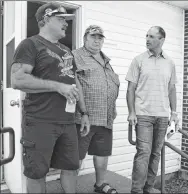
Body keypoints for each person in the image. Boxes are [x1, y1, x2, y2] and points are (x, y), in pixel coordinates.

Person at [11, 3, 89, 193]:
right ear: (45, 19)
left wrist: (84, 112)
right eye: (61, 19)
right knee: (37, 172)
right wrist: (57, 86)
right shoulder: (30, 44)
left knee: (71, 168)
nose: (66, 24)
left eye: (66, 20)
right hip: (39, 121)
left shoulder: (66, 50)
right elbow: (17, 79)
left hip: (68, 121)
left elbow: (75, 81)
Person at [126, 26, 179, 194]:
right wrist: (132, 112)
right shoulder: (138, 60)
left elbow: (171, 89)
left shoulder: (170, 63)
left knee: (155, 153)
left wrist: (174, 113)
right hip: (143, 115)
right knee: (144, 152)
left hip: (163, 116)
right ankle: (136, 190)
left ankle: (148, 188)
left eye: (151, 36)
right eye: (146, 36)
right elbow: (130, 89)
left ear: (161, 40)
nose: (147, 39)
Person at [72, 25, 120, 194]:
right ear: (85, 38)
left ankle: (100, 184)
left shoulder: (106, 60)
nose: (97, 40)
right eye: (93, 37)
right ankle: (70, 188)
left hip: (105, 117)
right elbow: (72, 84)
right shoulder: (75, 56)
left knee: (102, 153)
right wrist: (83, 111)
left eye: (100, 37)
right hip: (84, 117)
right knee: (76, 156)